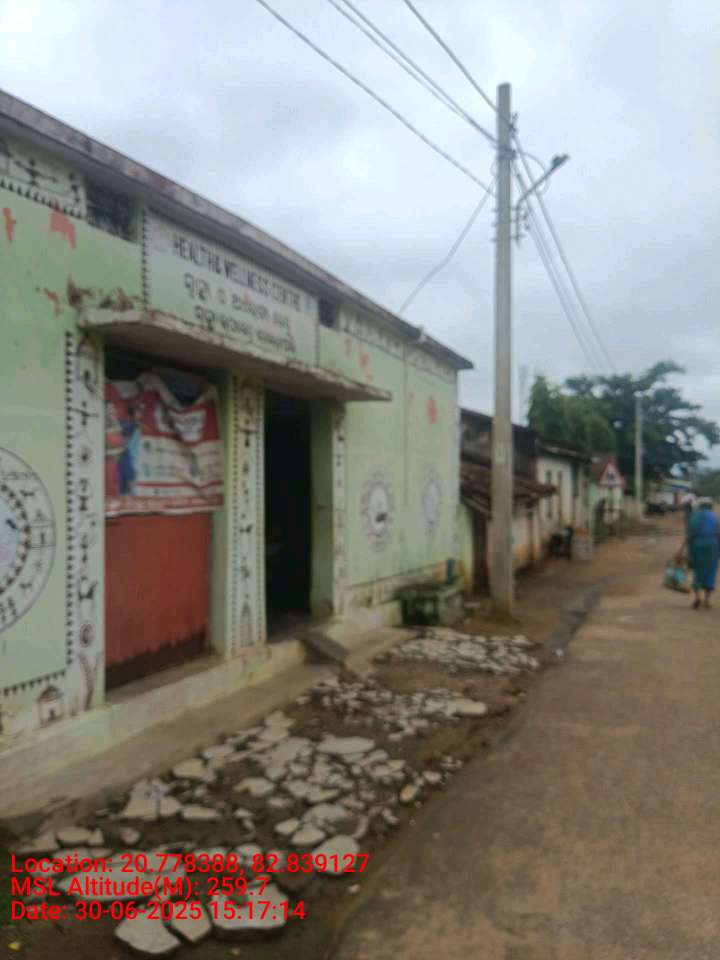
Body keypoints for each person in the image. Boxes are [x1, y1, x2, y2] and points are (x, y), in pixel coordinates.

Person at [685, 498, 720, 609]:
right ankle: (707, 600)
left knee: (697, 569)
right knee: (710, 570)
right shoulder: (715, 517)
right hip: (712, 545)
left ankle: (697, 598)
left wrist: (684, 549)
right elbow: (718, 534)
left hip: (697, 544)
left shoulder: (694, 516)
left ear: (699, 506)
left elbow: (690, 534)